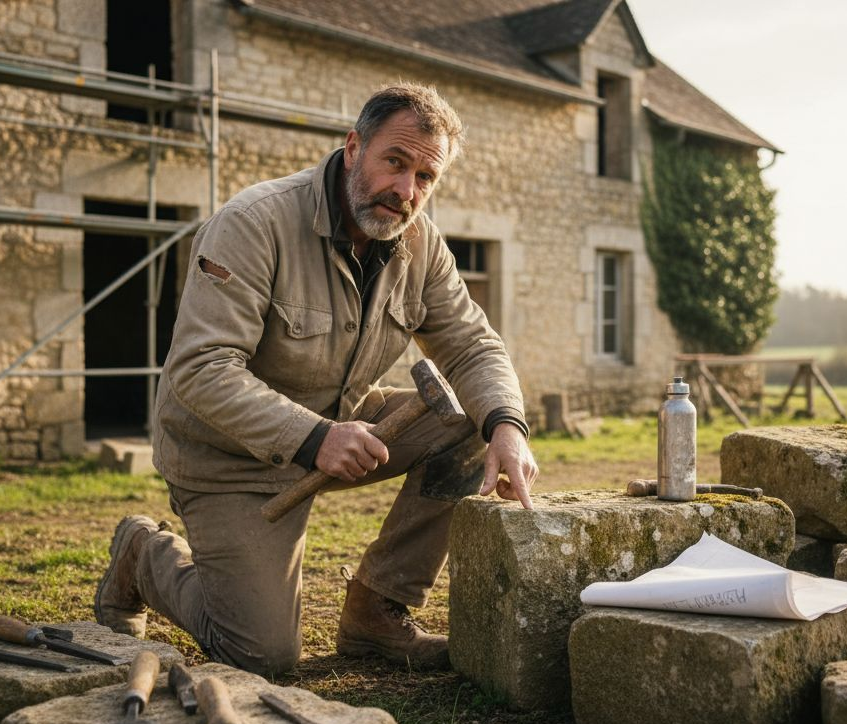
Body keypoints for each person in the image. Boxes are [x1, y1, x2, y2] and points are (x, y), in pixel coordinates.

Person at [94, 83, 537, 676]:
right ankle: (143, 555)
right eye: (395, 163)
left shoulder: (420, 244)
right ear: (354, 147)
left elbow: (472, 343)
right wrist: (315, 438)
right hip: (227, 457)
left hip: (341, 428)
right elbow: (201, 369)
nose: (406, 192)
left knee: (471, 424)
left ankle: (378, 611)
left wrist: (507, 425)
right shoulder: (254, 223)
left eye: (425, 178)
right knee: (264, 657)